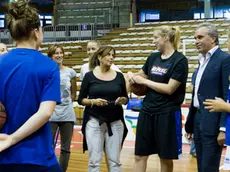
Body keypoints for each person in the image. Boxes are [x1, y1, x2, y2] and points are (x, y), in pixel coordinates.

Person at [0, 0, 62, 171]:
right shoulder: (48, 66)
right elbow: (45, 112)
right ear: (36, 32)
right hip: (38, 157)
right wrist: (12, 138)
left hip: (3, 157)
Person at [127, 25, 188, 172]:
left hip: (167, 113)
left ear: (165, 38)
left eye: (155, 38)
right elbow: (139, 76)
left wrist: (145, 82)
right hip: (147, 110)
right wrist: (130, 76)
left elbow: (169, 89)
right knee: (140, 156)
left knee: (165, 158)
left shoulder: (179, 60)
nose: (153, 41)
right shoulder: (153, 57)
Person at [185, 23, 230, 172]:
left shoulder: (224, 59)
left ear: (213, 38)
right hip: (198, 120)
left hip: (214, 121)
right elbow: (195, 95)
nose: (196, 41)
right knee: (201, 166)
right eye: (195, 38)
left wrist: (223, 128)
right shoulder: (201, 61)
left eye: (200, 37)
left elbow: (225, 96)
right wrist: (190, 123)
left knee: (209, 167)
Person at [78, 46, 128, 172]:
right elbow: (81, 99)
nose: (111, 57)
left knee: (115, 161)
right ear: (100, 57)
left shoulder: (119, 76)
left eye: (113, 55)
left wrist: (122, 100)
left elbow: (126, 98)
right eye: (108, 55)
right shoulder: (89, 76)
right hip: (94, 121)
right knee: (94, 161)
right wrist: (93, 101)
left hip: (116, 121)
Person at [47, 44, 76, 172]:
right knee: (48, 146)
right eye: (56, 53)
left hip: (67, 114)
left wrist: (66, 102)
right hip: (51, 113)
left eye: (61, 53)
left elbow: (74, 94)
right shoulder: (46, 72)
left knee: (66, 148)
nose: (59, 55)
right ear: (51, 56)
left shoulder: (71, 72)